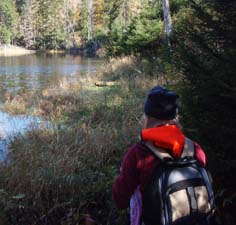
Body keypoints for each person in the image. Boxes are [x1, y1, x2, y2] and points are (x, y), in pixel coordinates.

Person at [112, 85, 209, 225]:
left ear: (147, 117)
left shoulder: (138, 154)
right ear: (176, 117)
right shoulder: (195, 149)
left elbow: (119, 200)